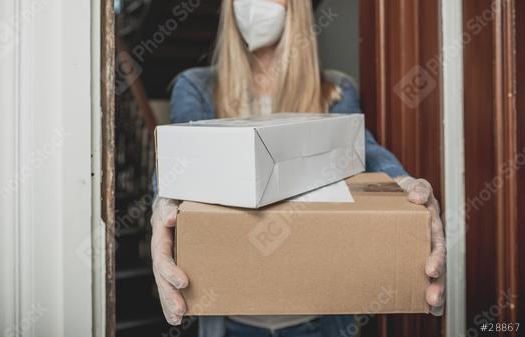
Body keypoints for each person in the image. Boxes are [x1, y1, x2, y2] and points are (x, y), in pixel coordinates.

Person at [150, 0, 446, 336]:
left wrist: (404, 182)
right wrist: (162, 206)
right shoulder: (196, 87)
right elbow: (179, 157)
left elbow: (363, 149)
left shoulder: (335, 90)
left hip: (319, 318)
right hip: (233, 316)